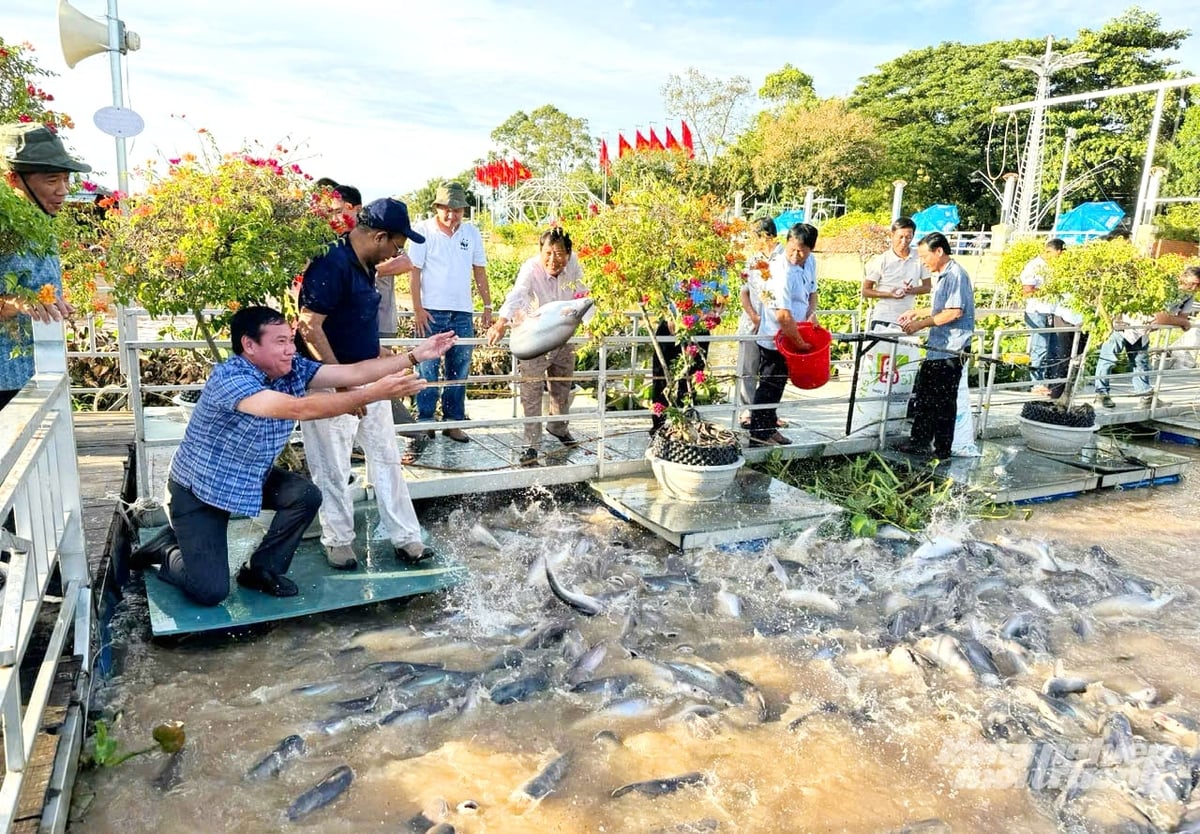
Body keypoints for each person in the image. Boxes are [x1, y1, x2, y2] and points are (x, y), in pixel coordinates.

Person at [131, 305, 456, 606]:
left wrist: (414, 356)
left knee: (304, 495)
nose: (291, 348)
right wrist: (376, 393)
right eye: (281, 341)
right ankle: (166, 549)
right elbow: (298, 408)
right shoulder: (231, 379)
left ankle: (261, 570)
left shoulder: (293, 369)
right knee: (210, 591)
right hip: (198, 492)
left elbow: (352, 372)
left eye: (291, 339)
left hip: (248, 476)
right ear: (249, 345)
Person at [296, 198, 444, 571]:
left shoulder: (365, 267)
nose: (398, 252)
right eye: (397, 244)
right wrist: (345, 390)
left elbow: (355, 325)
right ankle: (338, 540)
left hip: (369, 375)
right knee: (331, 464)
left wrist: (382, 359)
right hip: (329, 383)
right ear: (380, 236)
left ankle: (406, 536)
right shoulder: (331, 264)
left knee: (387, 457)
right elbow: (309, 326)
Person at [0, 124, 89, 410]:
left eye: (66, 179)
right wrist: (15, 302)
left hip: (40, 373)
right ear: (13, 178)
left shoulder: (43, 225)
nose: (63, 191)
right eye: (52, 180)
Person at [486, 227, 591, 466]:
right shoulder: (531, 267)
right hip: (533, 333)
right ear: (540, 251)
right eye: (548, 253)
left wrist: (590, 324)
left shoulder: (574, 264)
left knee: (562, 384)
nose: (553, 259)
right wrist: (501, 322)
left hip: (563, 332)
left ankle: (558, 427)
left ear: (568, 253)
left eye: (559, 253)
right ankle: (531, 444)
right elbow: (517, 293)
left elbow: (583, 293)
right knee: (531, 390)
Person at [408, 181, 492, 443]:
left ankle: (453, 422)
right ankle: (424, 420)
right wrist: (418, 309)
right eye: (446, 209)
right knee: (427, 368)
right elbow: (414, 272)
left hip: (462, 312)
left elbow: (480, 270)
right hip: (431, 312)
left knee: (460, 369)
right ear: (437, 207)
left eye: (456, 210)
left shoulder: (471, 233)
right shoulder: (422, 231)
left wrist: (487, 306)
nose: (451, 215)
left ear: (463, 211)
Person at [896, 232, 976, 460]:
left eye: (924, 256)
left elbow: (954, 312)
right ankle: (919, 441)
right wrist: (917, 312)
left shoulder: (956, 275)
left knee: (943, 402)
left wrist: (920, 324)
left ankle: (942, 449)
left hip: (951, 348)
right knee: (925, 396)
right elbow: (940, 309)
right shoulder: (942, 276)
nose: (923, 261)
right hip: (937, 347)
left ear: (939, 251)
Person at [749, 223, 819, 447]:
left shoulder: (810, 262)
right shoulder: (780, 270)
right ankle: (758, 434)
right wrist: (800, 342)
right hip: (776, 336)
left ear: (811, 249)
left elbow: (812, 292)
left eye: (802, 251)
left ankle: (769, 428)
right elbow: (783, 316)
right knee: (769, 384)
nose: (796, 255)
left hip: (795, 330)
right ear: (786, 243)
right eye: (792, 249)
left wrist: (811, 314)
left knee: (779, 383)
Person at [1094, 264, 1199, 409]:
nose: (1193, 288)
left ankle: (1145, 396)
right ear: (1182, 277)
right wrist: (1179, 321)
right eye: (1192, 283)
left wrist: (1176, 320)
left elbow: (1182, 318)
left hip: (1144, 329)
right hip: (1124, 323)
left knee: (1141, 362)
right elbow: (1163, 317)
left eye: (1197, 285)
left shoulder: (1188, 295)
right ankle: (1101, 394)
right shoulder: (1166, 286)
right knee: (1108, 359)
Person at [736, 218, 781, 428]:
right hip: (752, 323)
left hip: (775, 325)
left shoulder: (783, 258)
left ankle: (767, 415)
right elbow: (744, 292)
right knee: (748, 368)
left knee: (771, 372)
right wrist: (754, 315)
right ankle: (747, 411)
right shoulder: (752, 260)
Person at [861, 216, 930, 328]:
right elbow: (866, 291)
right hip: (883, 318)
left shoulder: (919, 257)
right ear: (892, 235)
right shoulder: (882, 259)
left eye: (908, 237)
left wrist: (911, 290)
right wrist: (889, 294)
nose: (904, 241)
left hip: (907, 320)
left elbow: (927, 287)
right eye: (900, 237)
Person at [1018, 238, 1065, 396]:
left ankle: (1049, 382)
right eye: (1058, 254)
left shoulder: (1055, 266)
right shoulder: (1034, 266)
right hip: (1037, 311)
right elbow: (1026, 290)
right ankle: (1036, 383)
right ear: (1054, 251)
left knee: (1053, 348)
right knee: (1040, 347)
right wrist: (1048, 291)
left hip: (1052, 311)